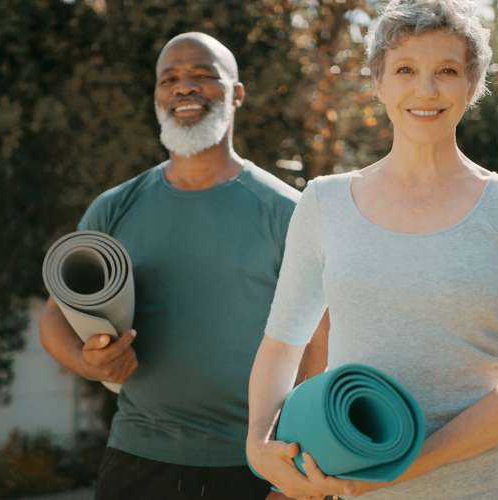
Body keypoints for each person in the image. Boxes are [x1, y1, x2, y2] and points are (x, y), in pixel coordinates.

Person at [246, 1, 498, 499]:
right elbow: (282, 344)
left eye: (446, 70)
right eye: (405, 70)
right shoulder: (324, 201)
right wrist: (258, 445)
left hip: (489, 489)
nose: (426, 89)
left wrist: (404, 465)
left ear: (472, 84)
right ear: (379, 83)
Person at [38, 32, 328, 500]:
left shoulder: (288, 212)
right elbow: (54, 317)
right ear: (156, 96)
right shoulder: (115, 207)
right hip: (137, 460)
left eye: (203, 76)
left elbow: (322, 342)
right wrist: (87, 363)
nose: (184, 88)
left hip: (255, 464)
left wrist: (293, 473)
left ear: (236, 93)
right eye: (169, 78)